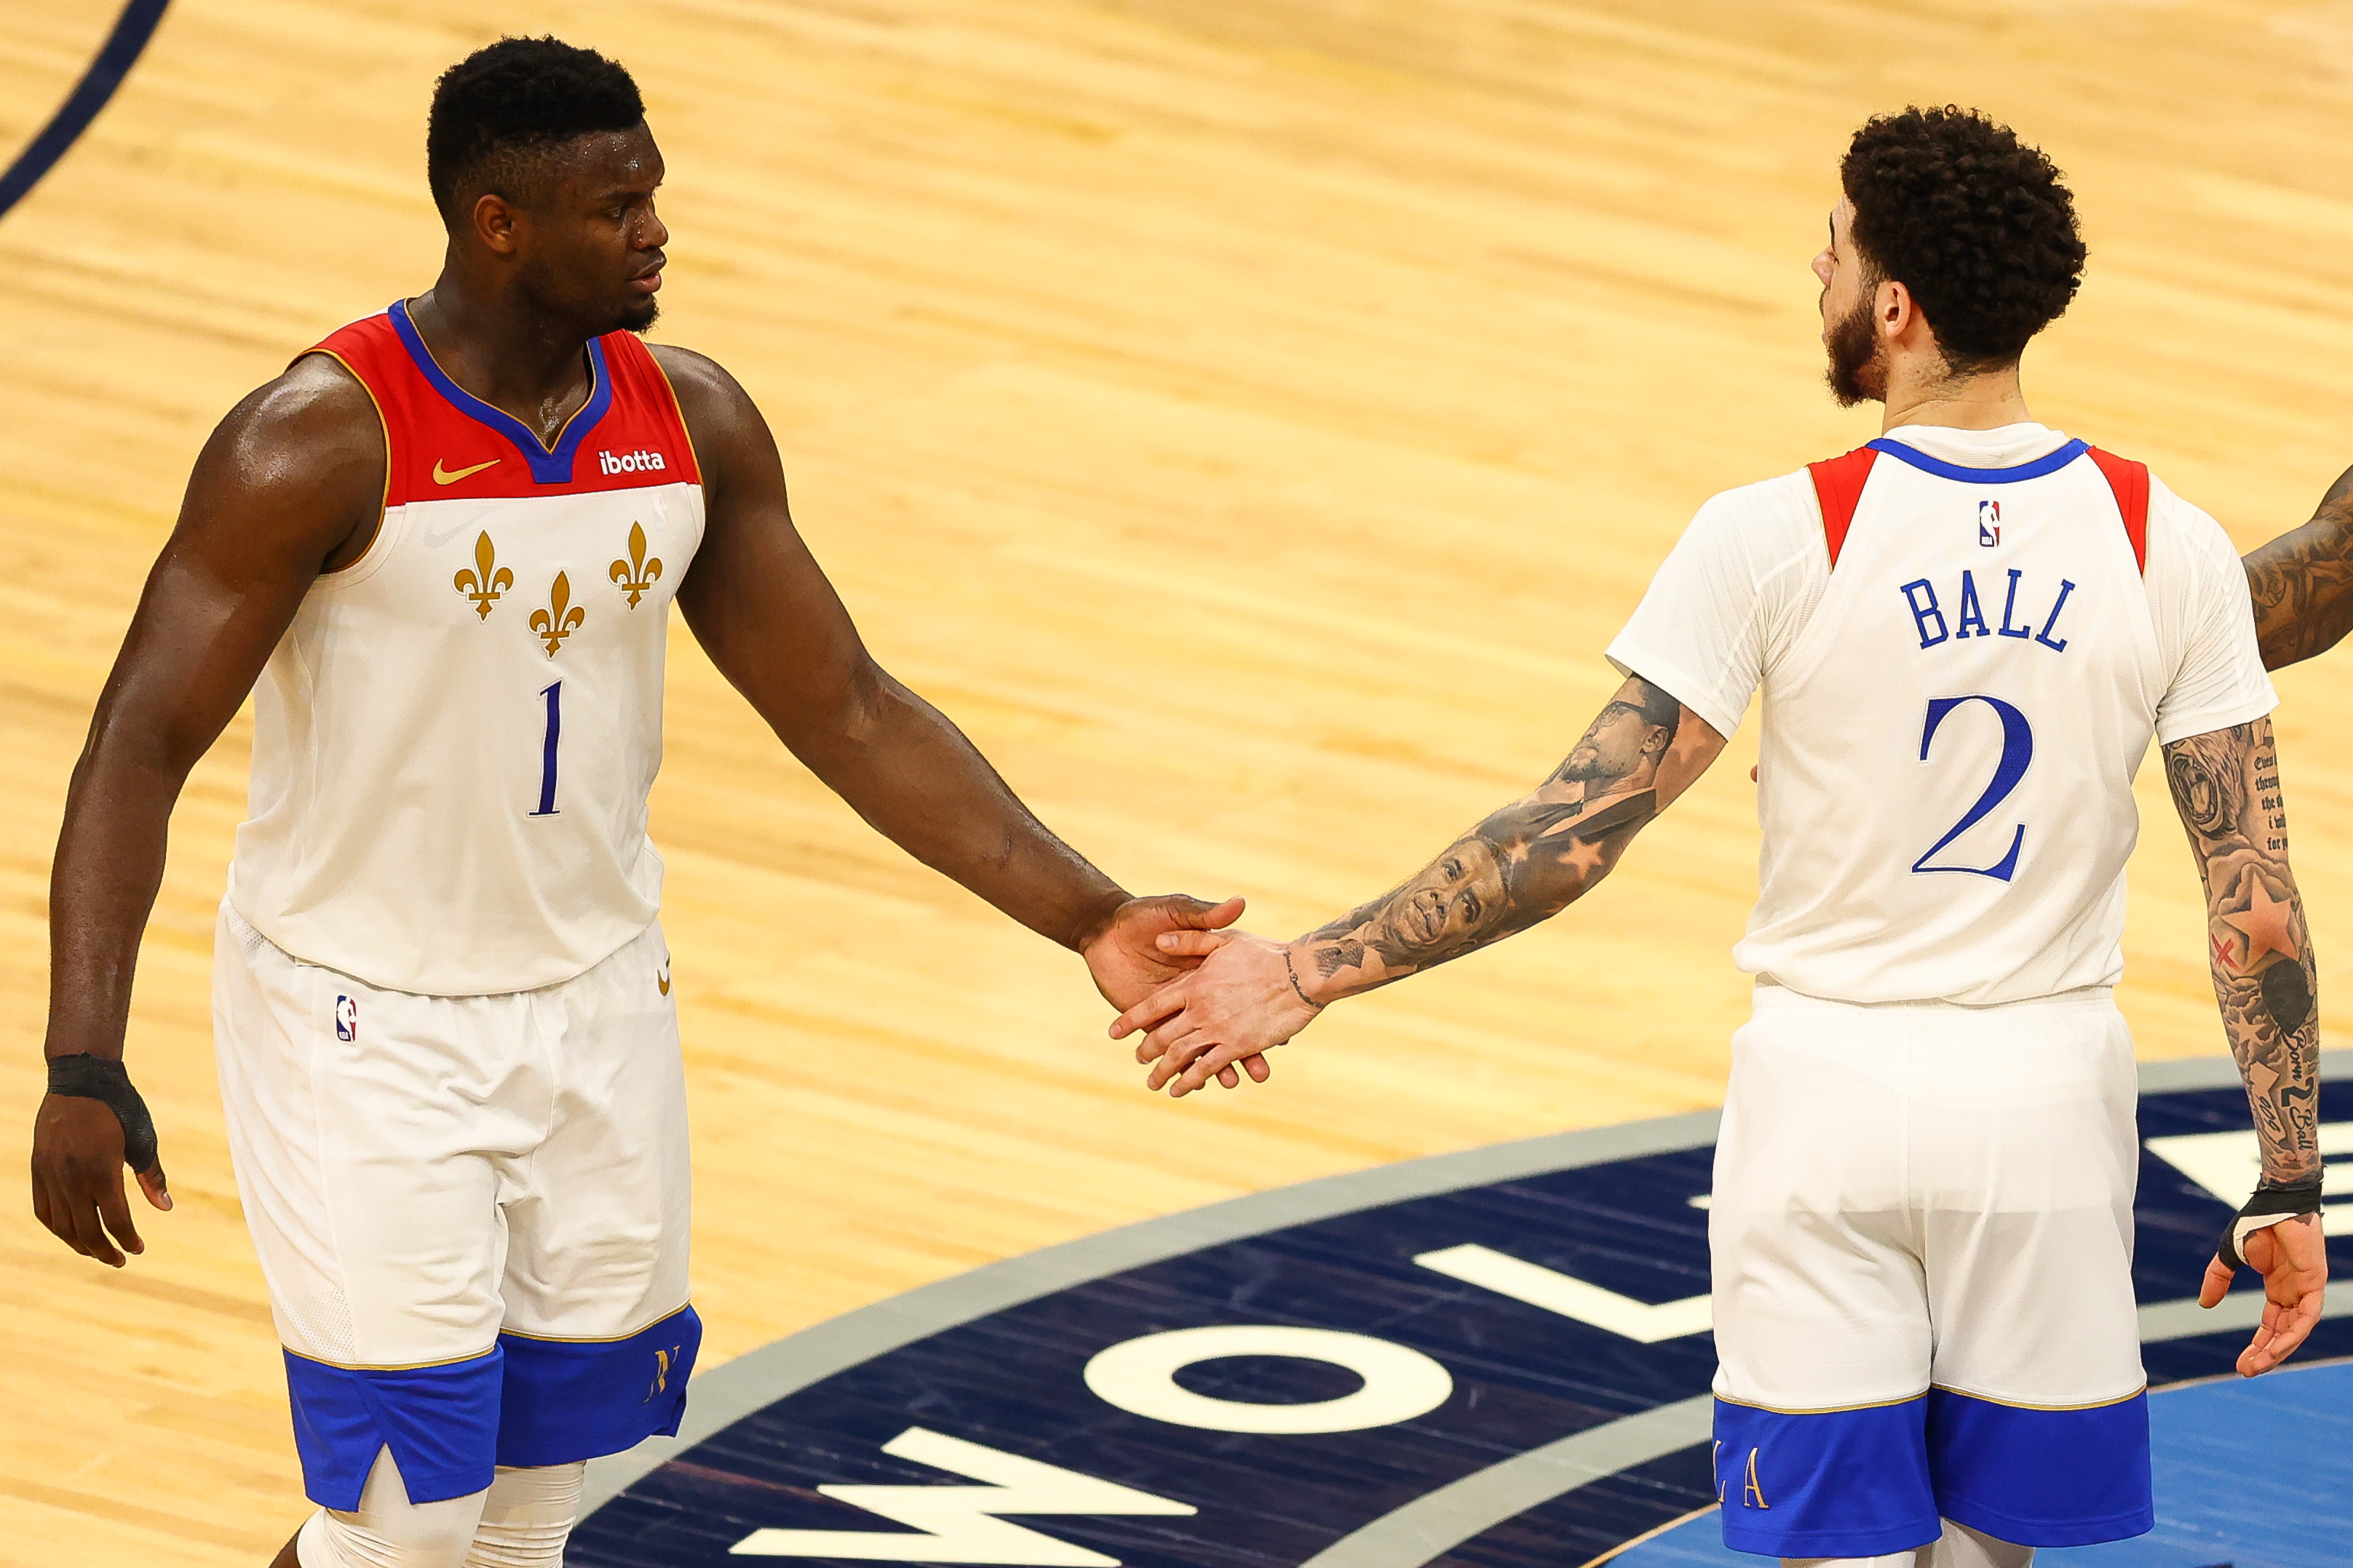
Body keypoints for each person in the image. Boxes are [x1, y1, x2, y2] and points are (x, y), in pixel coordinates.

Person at [25, 37, 1263, 1568]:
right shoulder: (319, 440)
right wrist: (85, 1052)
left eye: (653, 197)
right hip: (361, 1029)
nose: (657, 232)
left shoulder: (690, 420)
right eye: (617, 209)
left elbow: (851, 708)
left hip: (603, 1012)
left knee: (550, 1506)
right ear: (499, 225)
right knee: (408, 1525)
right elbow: (136, 746)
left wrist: (1088, 910)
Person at [1116, 107, 2327, 1568]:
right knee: (1988, 1552)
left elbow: (1574, 828)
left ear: (1896, 307)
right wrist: (2286, 1177)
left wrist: (1311, 967)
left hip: (1826, 1095)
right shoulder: (2166, 541)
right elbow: (2252, 906)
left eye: (1840, 248)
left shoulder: (1773, 532)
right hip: (2048, 1103)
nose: (1817, 266)